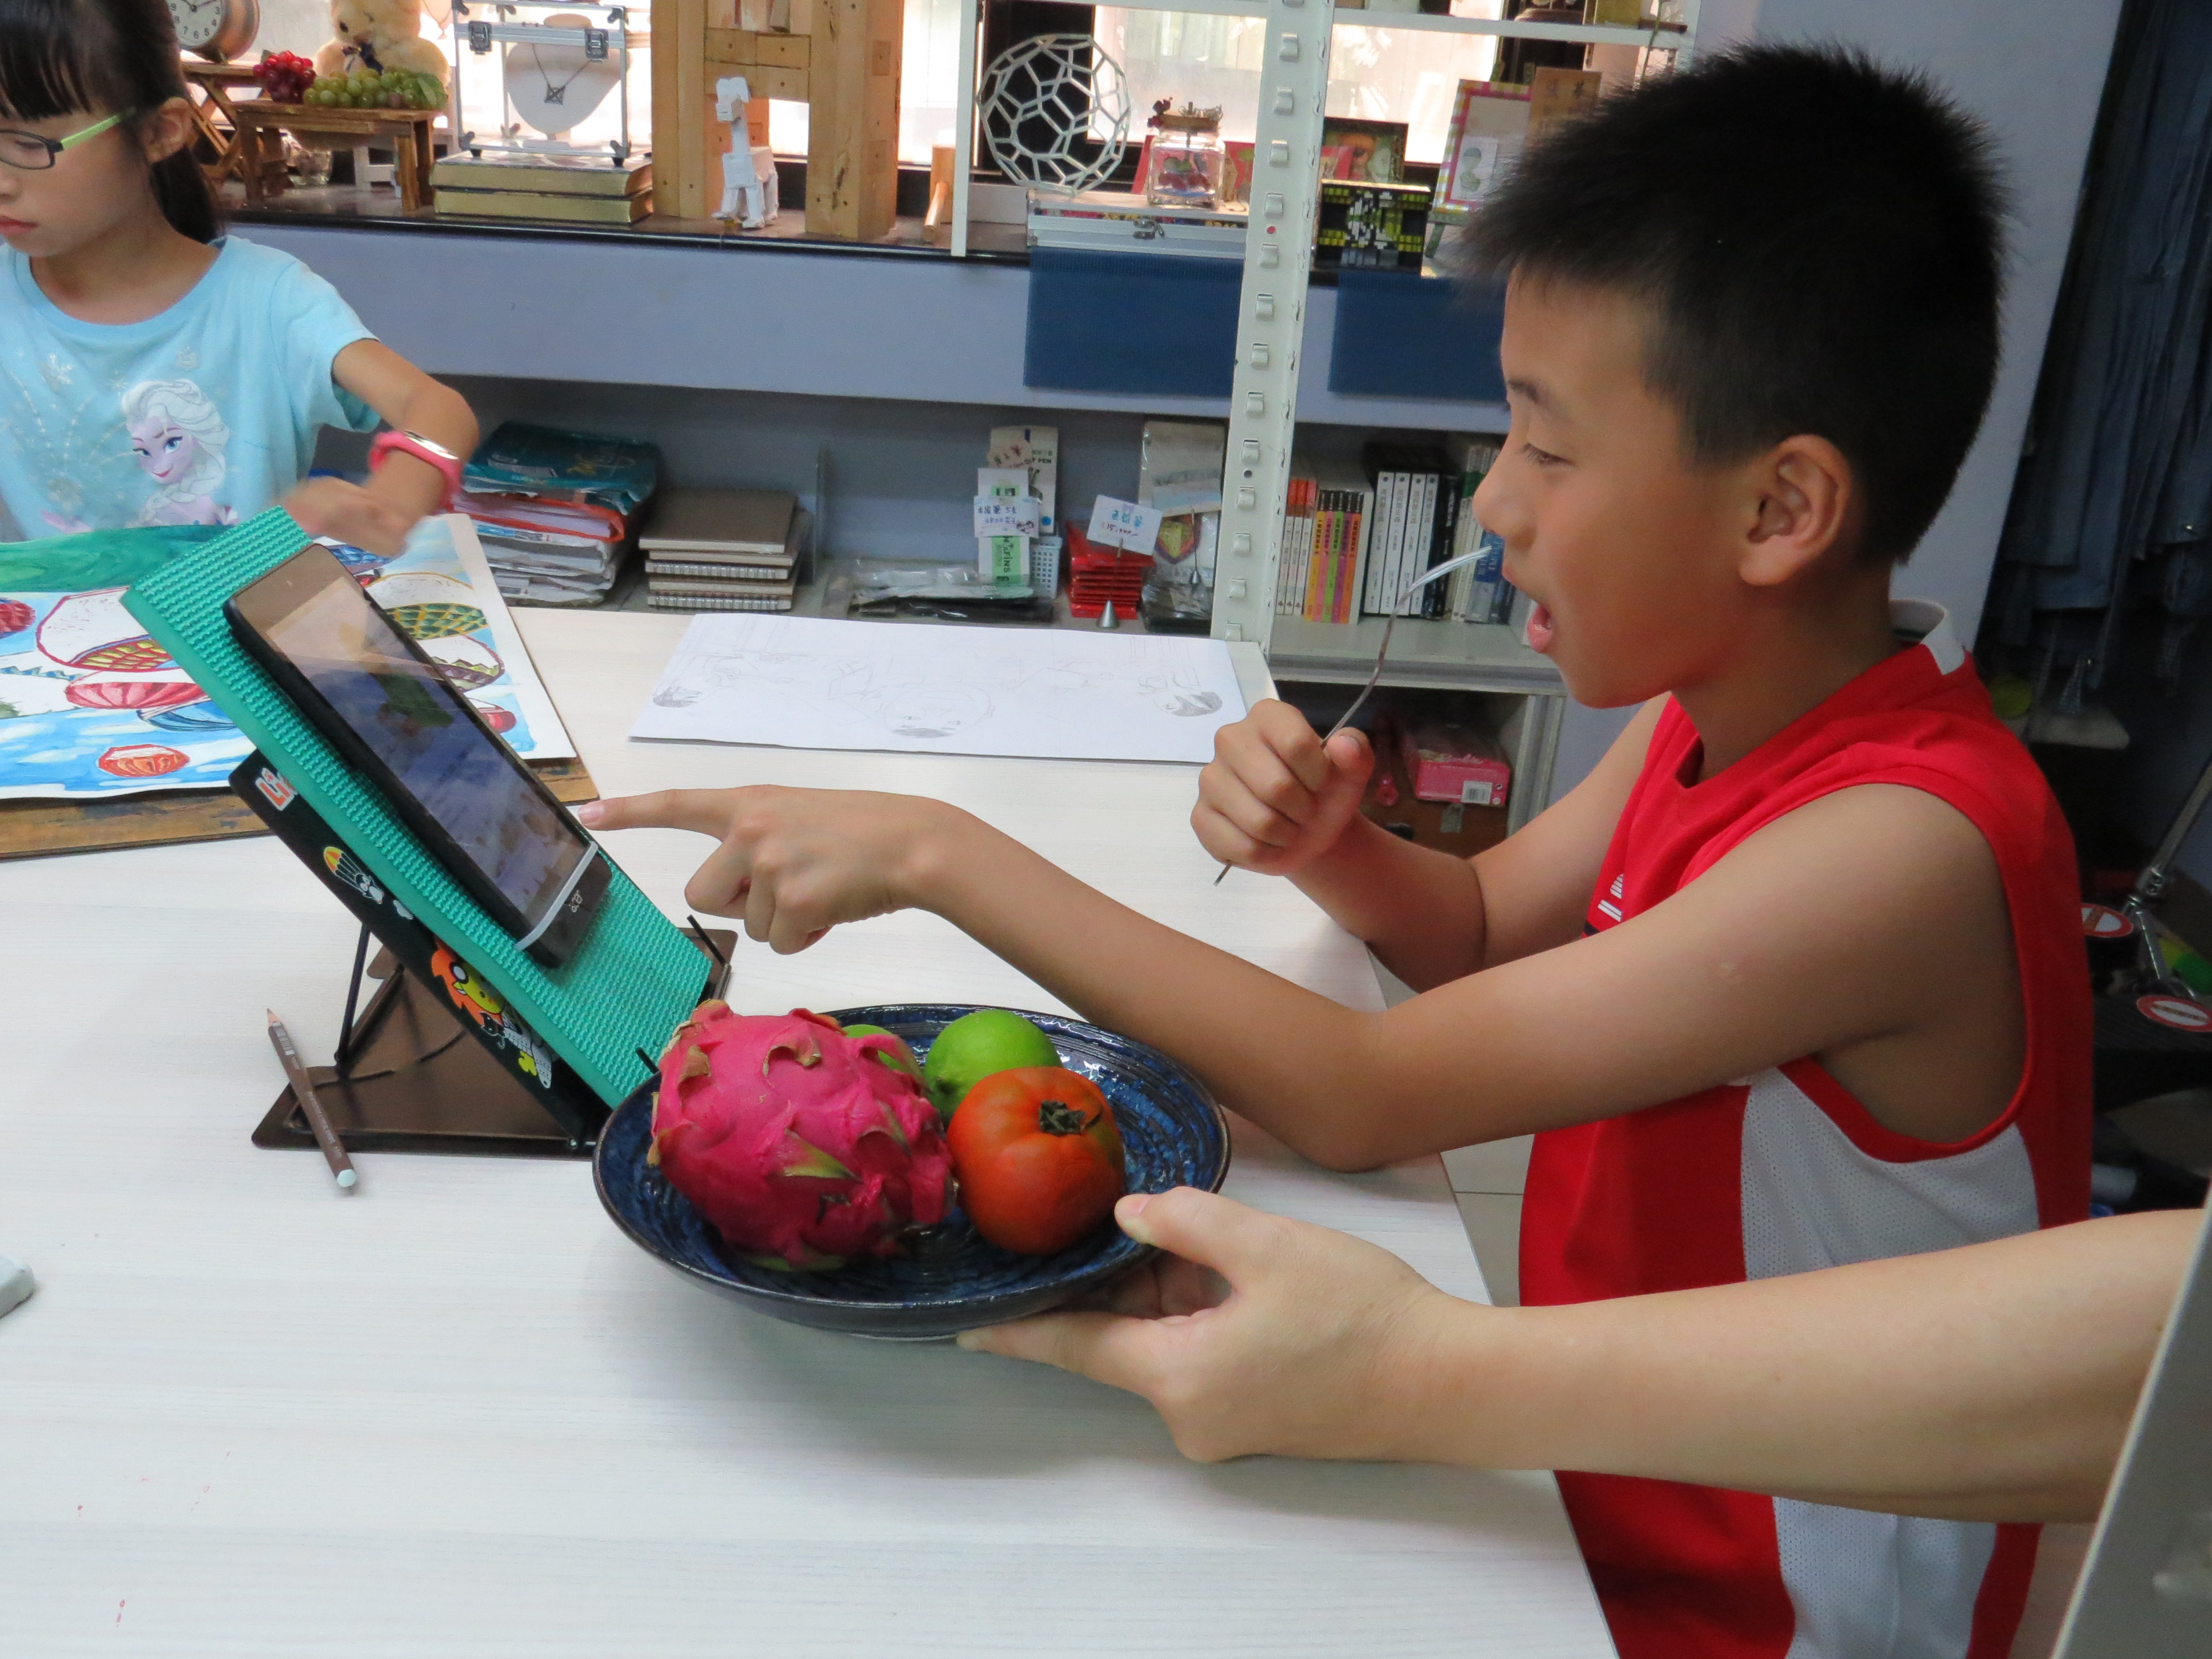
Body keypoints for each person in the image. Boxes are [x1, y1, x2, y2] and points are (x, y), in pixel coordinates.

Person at [580, 46, 2090, 1658]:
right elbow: (1479, 928)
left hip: (1741, 1601)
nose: (1495, 506)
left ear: (1780, 509)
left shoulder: (1897, 849)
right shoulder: (1719, 713)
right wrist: (1339, 850)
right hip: (1580, 1471)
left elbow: (1363, 1099)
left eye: (1547, 447)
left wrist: (940, 850)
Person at [0, 0, 475, 549]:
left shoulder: (267, 300)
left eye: (29, 145)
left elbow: (439, 410)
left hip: (240, 605)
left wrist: (389, 504)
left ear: (160, 132)